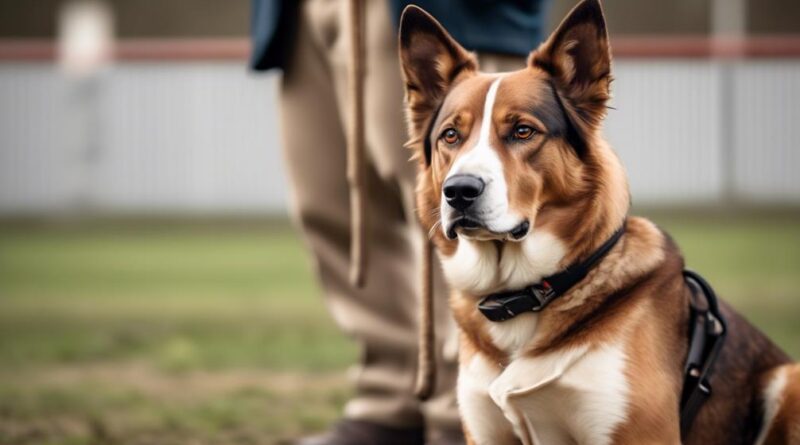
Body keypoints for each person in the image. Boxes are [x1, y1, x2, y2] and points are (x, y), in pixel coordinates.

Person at [250, 1, 550, 443]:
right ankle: (389, 398)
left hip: (443, 10)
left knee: (470, 211)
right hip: (303, 12)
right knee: (332, 207)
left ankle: (471, 409)